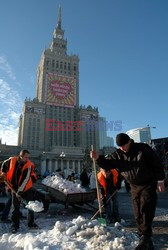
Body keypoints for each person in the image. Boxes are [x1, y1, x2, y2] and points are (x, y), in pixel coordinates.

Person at [90, 133, 165, 250]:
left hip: (148, 184)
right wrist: (98, 158)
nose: (122, 148)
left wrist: (160, 180)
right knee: (137, 212)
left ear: (129, 141)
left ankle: (145, 237)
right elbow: (108, 163)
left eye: (124, 145)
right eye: (120, 146)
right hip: (134, 186)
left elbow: (157, 163)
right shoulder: (118, 155)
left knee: (146, 208)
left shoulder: (143, 149)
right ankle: (144, 237)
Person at [0, 149, 38, 233]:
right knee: (15, 207)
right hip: (14, 187)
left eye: (28, 157)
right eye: (25, 157)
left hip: (26, 188)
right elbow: (3, 164)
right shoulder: (12, 160)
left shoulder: (28, 165)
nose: (27, 159)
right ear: (20, 156)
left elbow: (25, 179)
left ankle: (31, 223)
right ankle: (15, 225)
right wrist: (3, 173)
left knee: (30, 205)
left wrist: (19, 192)